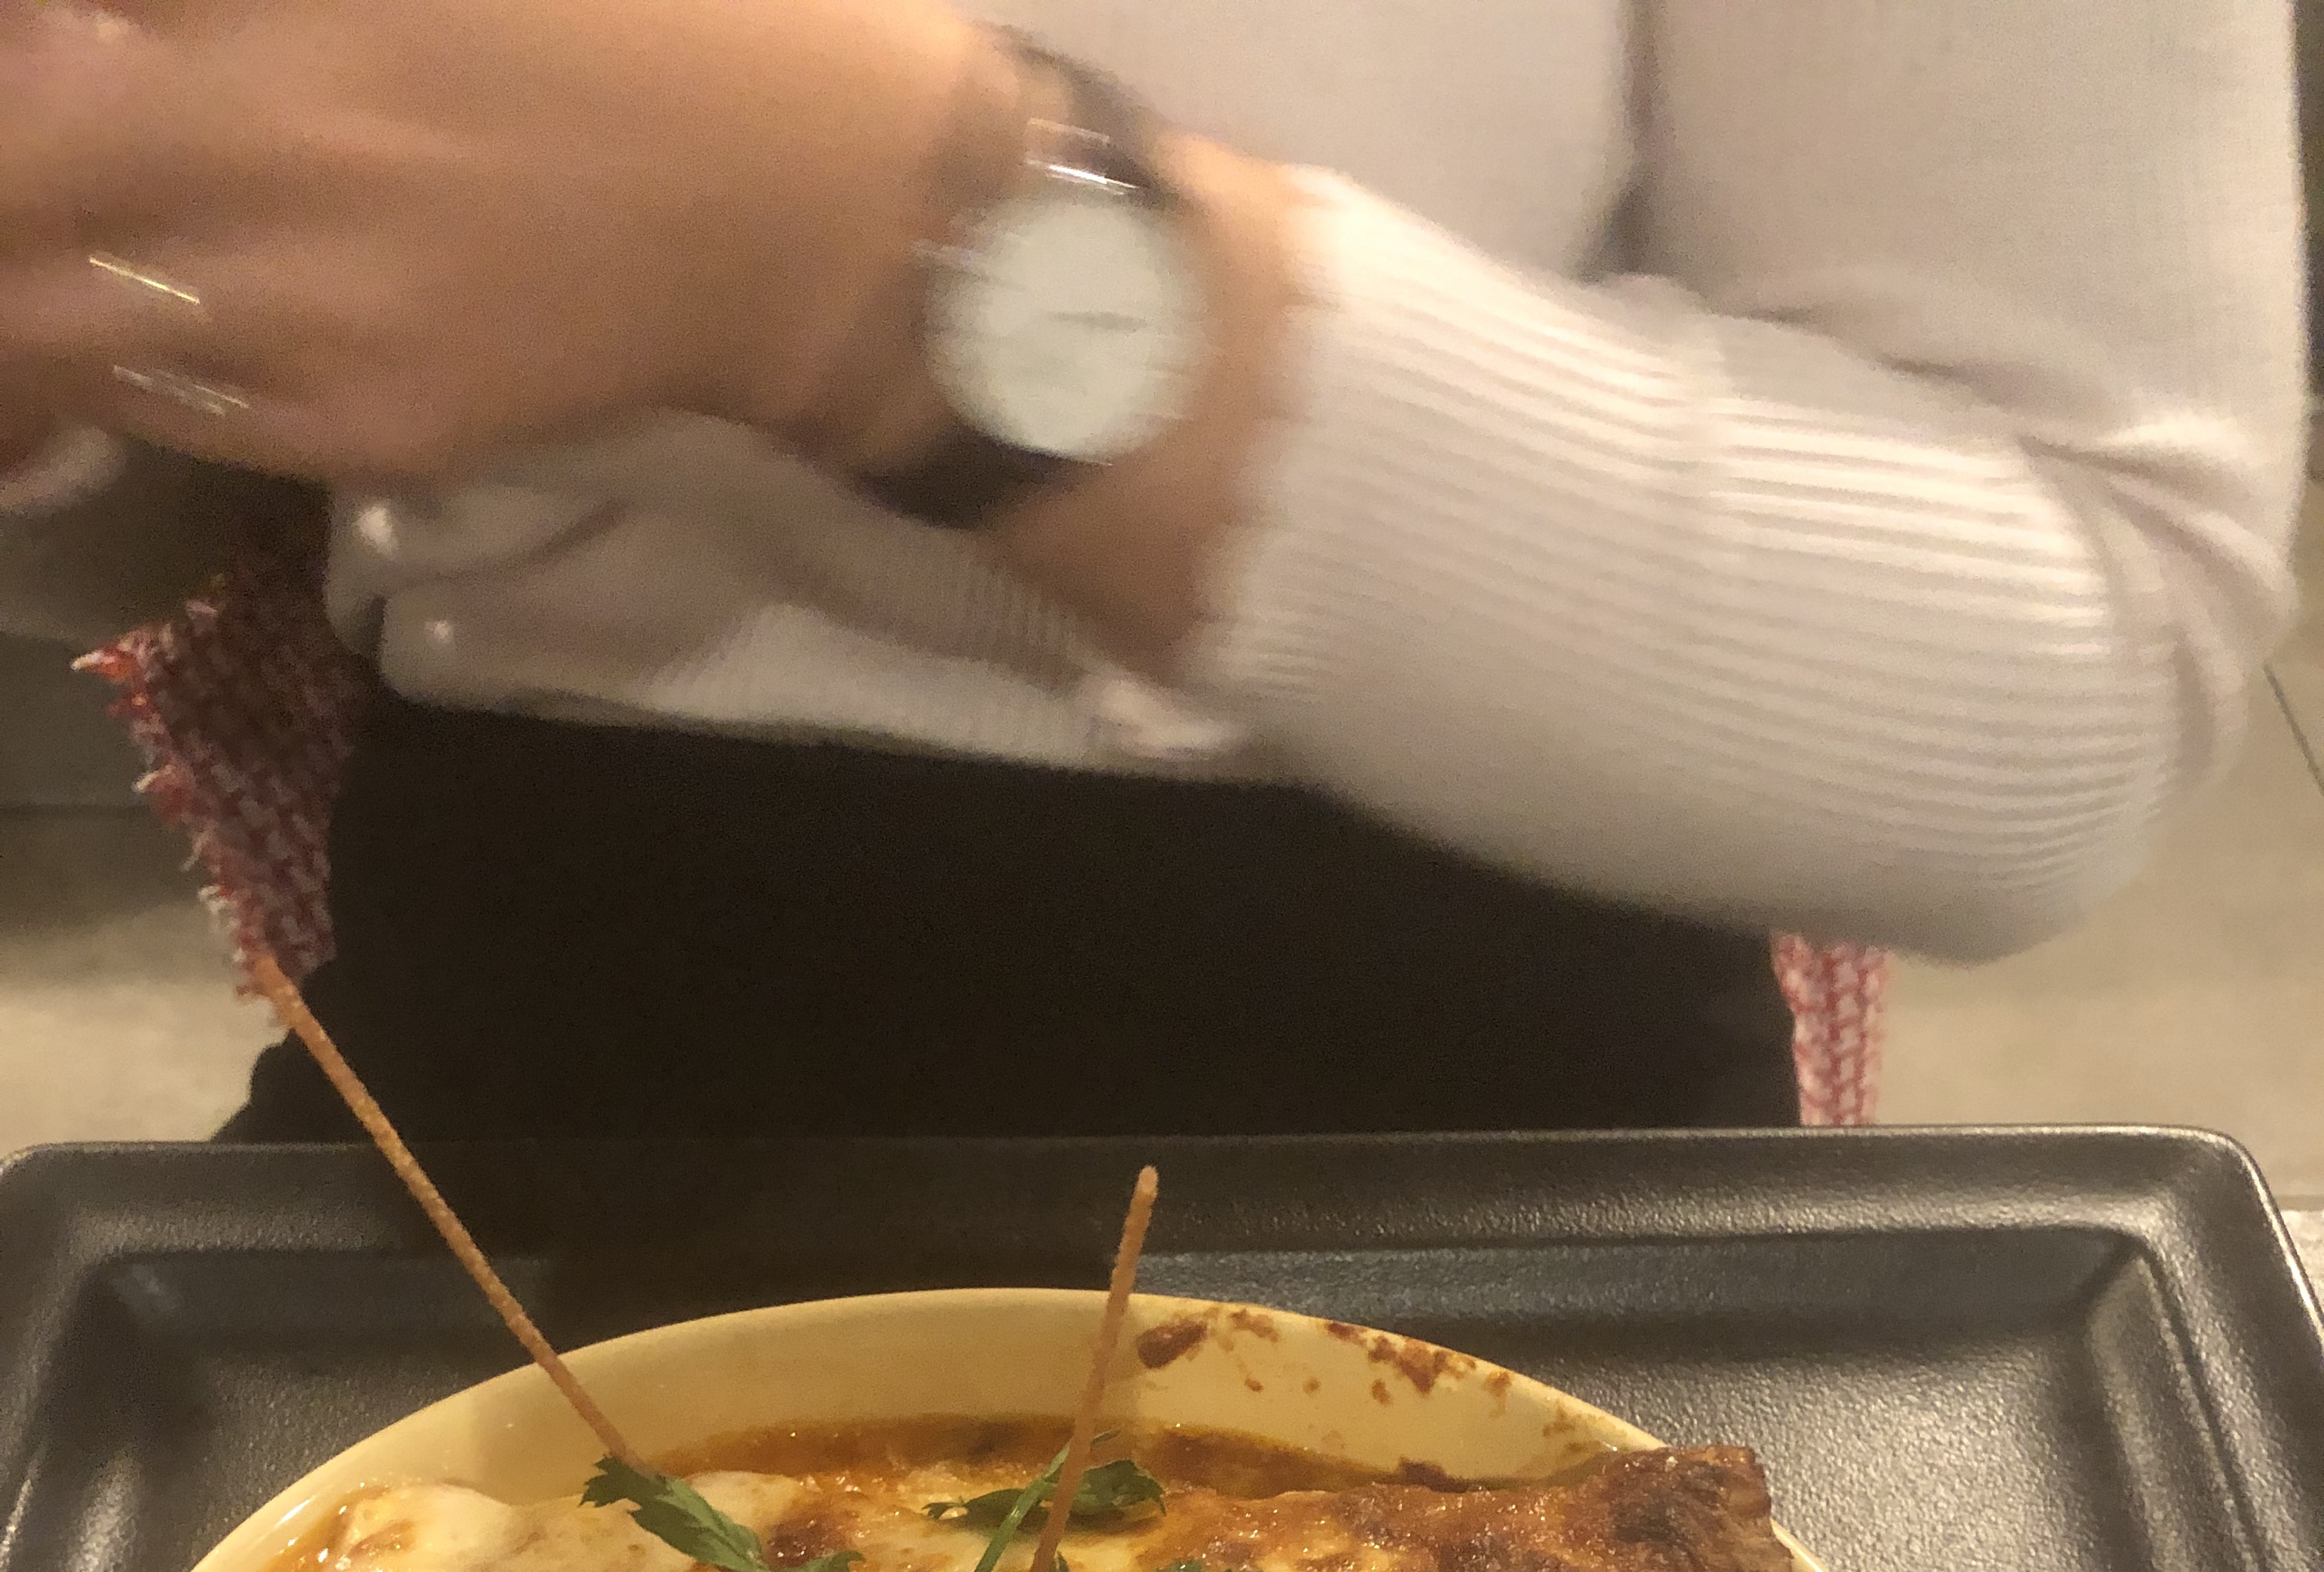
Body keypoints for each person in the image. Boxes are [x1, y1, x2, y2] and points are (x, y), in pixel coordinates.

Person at [0, 0, 2306, 1141]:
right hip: (490, 1058)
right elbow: (178, 512)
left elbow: (2079, 651)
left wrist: (898, 271)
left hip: (1501, 1078)